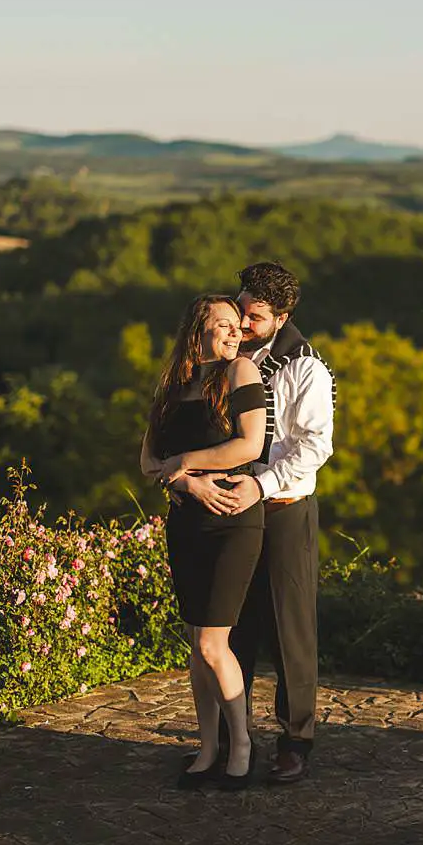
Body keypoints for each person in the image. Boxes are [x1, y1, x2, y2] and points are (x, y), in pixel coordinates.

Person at [191, 262, 335, 785]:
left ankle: (297, 739)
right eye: (242, 309)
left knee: (289, 626)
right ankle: (235, 735)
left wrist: (262, 484)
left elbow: (316, 448)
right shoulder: (228, 359)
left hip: (284, 506)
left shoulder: (307, 369)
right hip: (233, 506)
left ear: (283, 316)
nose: (244, 323)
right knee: (234, 623)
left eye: (256, 316)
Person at [139, 294, 267, 791]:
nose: (236, 334)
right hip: (186, 518)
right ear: (198, 331)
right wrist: (186, 481)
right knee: (197, 641)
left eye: (239, 326)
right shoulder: (171, 386)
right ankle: (208, 747)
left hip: (234, 518)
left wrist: (185, 461)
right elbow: (150, 462)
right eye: (224, 325)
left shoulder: (241, 375)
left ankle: (243, 745)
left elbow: (249, 446)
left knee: (215, 642)